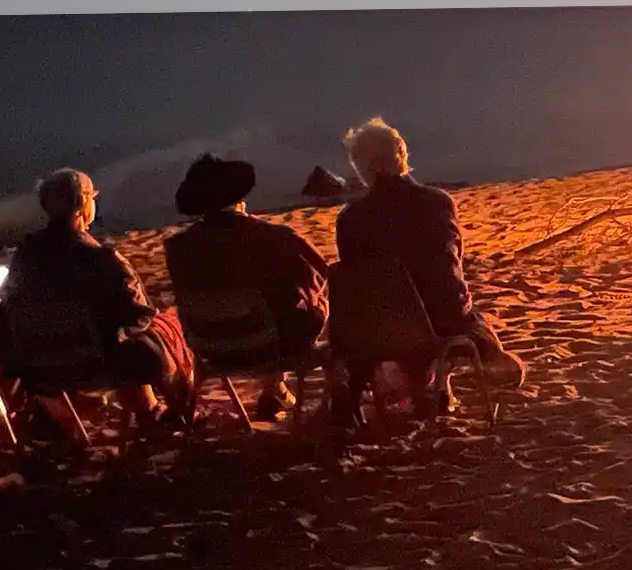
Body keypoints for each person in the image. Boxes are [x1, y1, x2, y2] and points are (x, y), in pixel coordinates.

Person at [333, 117, 525, 417]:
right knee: (461, 309)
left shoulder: (350, 219)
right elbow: (451, 266)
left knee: (426, 308)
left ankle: (431, 382)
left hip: (378, 329)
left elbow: (357, 278)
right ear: (402, 156)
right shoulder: (437, 203)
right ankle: (471, 367)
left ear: (361, 168)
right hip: (439, 321)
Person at [0, 169, 195, 428]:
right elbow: (139, 314)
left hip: (39, 365)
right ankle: (165, 410)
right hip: (96, 364)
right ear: (83, 206)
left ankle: (56, 411)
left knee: (120, 334)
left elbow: (7, 311)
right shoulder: (100, 259)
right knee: (161, 329)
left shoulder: (24, 258)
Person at [163, 153, 332, 419]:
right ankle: (282, 388)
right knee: (306, 303)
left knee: (266, 307)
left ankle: (275, 390)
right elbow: (320, 273)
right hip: (271, 345)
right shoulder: (273, 237)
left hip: (211, 348)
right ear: (239, 197)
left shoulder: (177, 248)